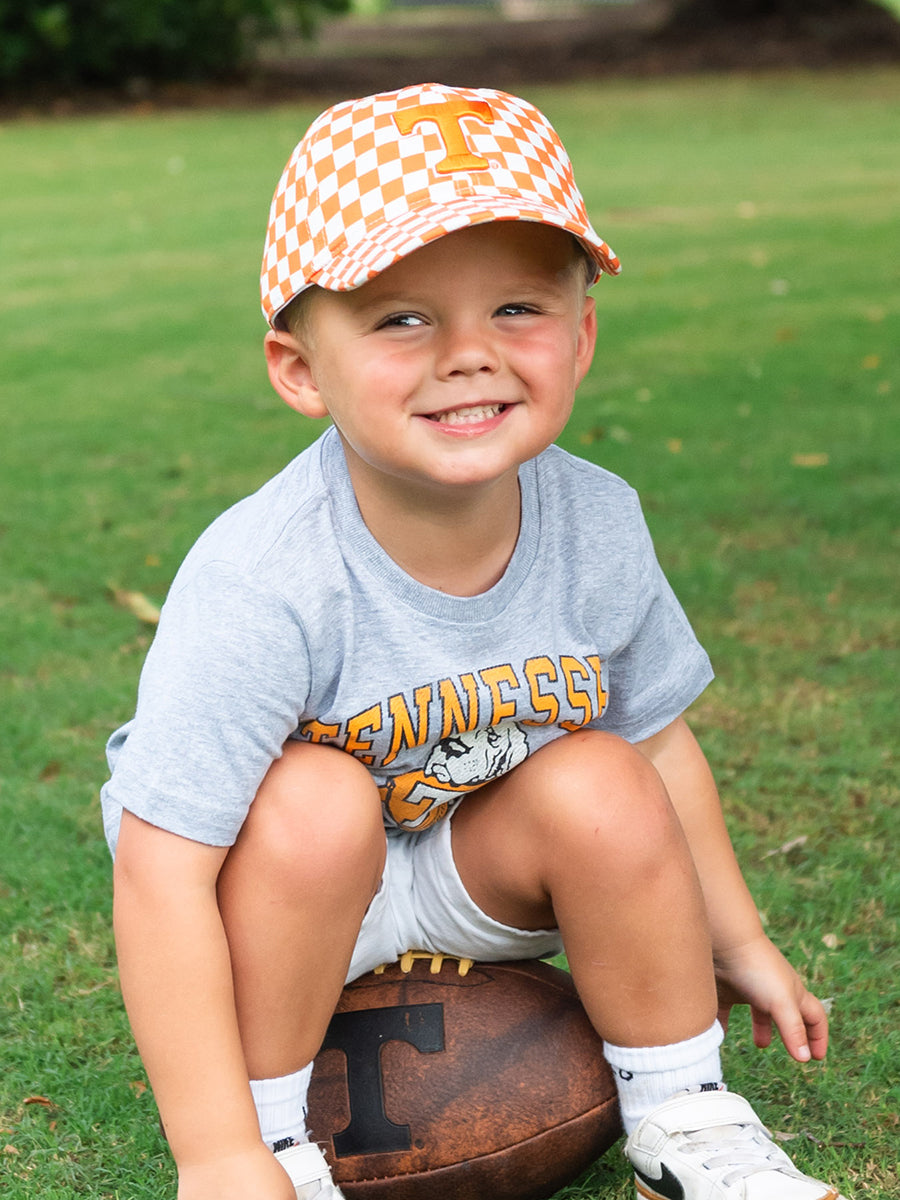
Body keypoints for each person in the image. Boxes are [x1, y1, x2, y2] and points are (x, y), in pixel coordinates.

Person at [101, 83, 847, 1200]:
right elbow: (164, 873)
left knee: (603, 769)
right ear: (302, 368)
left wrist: (733, 938)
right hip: (278, 891)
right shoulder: (265, 575)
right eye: (402, 317)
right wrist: (216, 1156)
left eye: (517, 310)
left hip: (461, 862)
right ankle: (277, 1149)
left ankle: (685, 1121)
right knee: (316, 800)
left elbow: (660, 748)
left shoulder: (597, 521)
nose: (468, 353)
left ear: (582, 334)